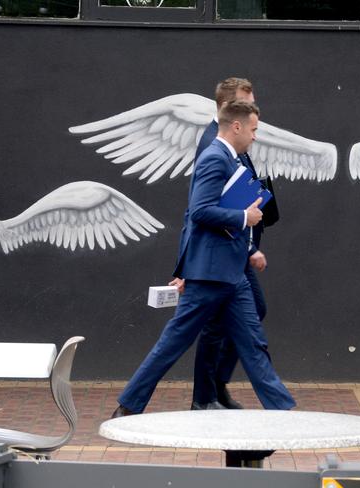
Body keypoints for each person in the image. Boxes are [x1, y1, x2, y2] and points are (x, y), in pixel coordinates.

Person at [111, 100, 295, 417]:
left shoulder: (231, 159)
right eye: (252, 130)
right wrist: (244, 217)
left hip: (233, 275)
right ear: (236, 126)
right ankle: (128, 405)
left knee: (253, 344)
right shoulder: (214, 158)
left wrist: (249, 248)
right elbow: (199, 212)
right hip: (208, 275)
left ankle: (282, 411)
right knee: (174, 342)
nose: (254, 137)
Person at [188, 78, 275, 410]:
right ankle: (205, 396)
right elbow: (202, 208)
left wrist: (251, 246)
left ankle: (215, 387)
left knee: (249, 311)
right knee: (212, 324)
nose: (253, 116)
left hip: (239, 246)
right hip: (221, 252)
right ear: (229, 110)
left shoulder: (230, 139)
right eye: (246, 104)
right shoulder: (214, 144)